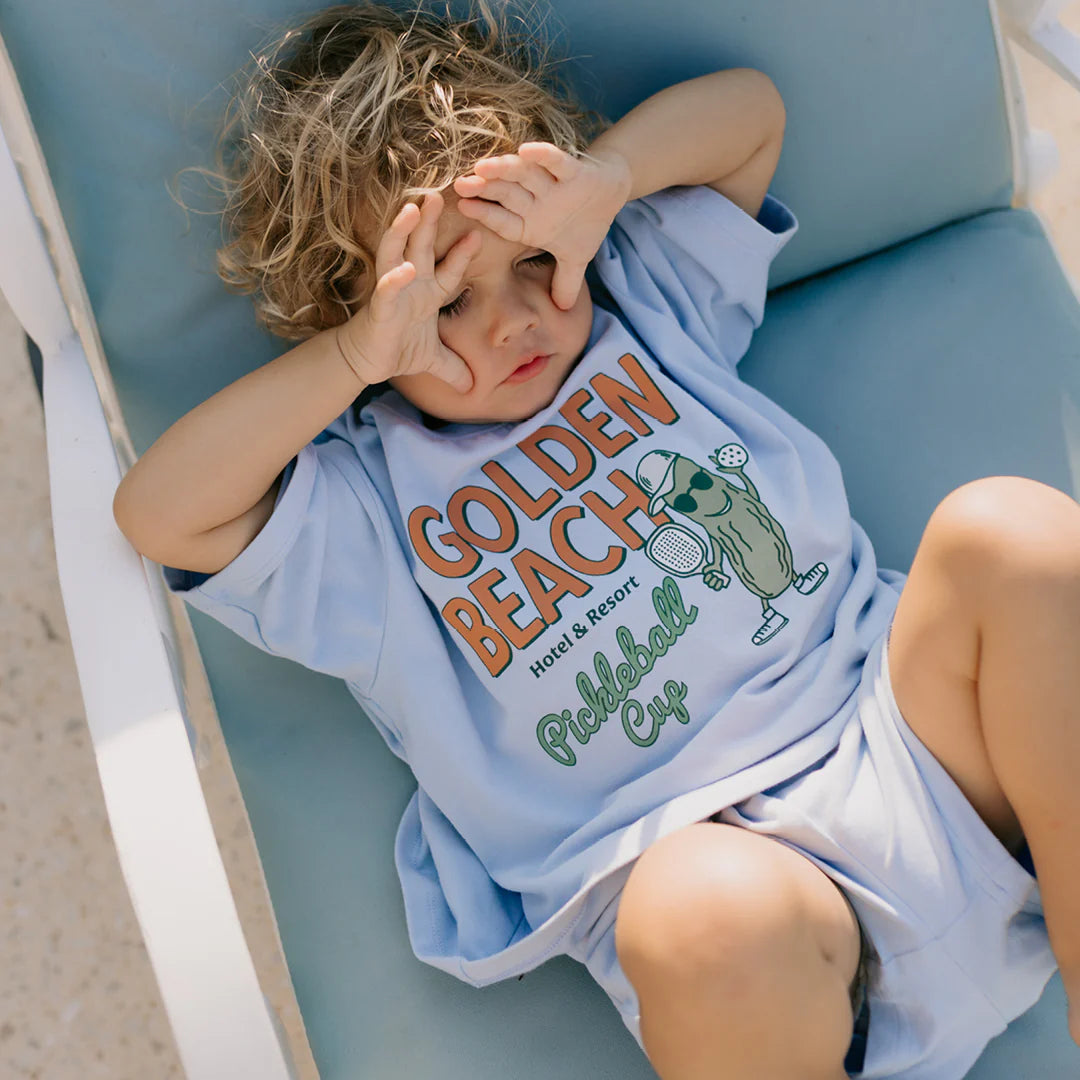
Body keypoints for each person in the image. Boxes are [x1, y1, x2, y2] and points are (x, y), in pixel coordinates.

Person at [112, 2, 1080, 1076]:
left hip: (904, 741)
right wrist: (351, 360)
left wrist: (603, 185)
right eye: (446, 303)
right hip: (710, 878)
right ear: (362, 323)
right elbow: (161, 510)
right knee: (698, 916)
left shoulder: (646, 304)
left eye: (530, 261)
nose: (513, 320)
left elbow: (750, 116)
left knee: (1013, 532)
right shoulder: (358, 508)